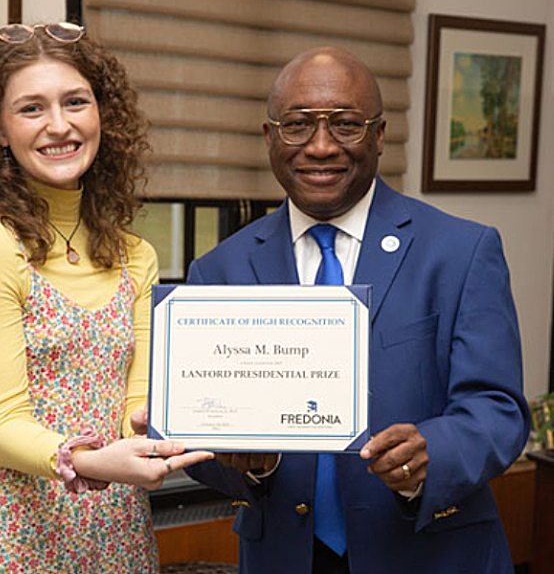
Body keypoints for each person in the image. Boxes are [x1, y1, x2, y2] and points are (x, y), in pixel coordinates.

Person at [184, 47, 529, 574]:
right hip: (284, 555)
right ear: (270, 136)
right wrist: (253, 468)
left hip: (431, 550)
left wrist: (432, 451)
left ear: (380, 135)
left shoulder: (461, 251)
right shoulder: (219, 270)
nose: (320, 147)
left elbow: (499, 410)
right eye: (297, 125)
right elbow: (203, 436)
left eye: (346, 125)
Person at [0, 23, 211, 573]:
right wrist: (90, 460)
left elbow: (135, 407)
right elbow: (1, 425)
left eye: (75, 102)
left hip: (120, 534)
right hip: (20, 537)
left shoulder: (136, 254)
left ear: (101, 112)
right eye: (31, 109)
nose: (59, 126)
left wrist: (178, 422)